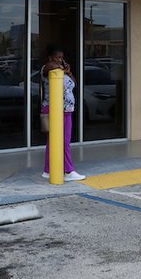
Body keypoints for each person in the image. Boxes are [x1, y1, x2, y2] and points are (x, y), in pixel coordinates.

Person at [41, 45, 85, 181]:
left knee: (54, 141)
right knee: (63, 141)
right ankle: (68, 171)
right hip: (56, 109)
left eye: (62, 58)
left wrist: (69, 72)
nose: (60, 60)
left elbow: (74, 83)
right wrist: (59, 67)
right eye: (57, 57)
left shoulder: (62, 71)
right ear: (50, 57)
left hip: (66, 109)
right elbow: (49, 67)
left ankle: (48, 170)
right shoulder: (47, 68)